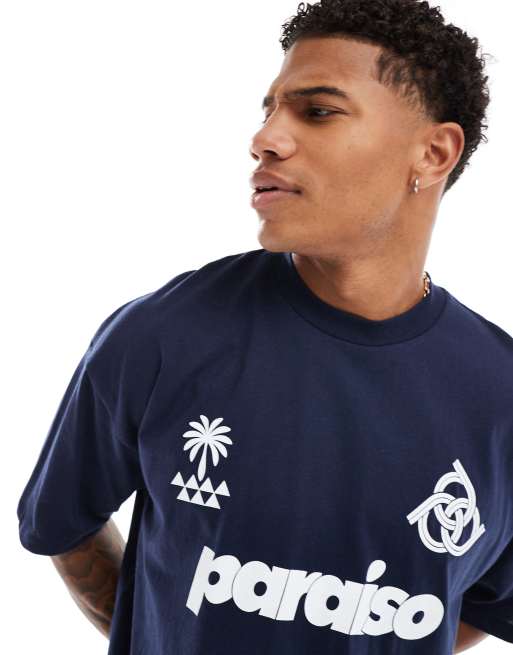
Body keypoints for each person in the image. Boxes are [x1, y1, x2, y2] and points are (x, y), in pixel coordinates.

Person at [16, 1, 513, 653]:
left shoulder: (498, 392)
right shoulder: (163, 334)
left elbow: (478, 605)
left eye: (318, 111)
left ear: (433, 151)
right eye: (269, 110)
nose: (266, 138)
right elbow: (65, 524)